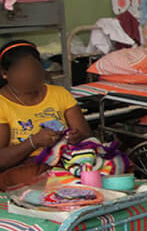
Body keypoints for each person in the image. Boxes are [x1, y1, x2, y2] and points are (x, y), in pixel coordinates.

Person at [0, 40, 92, 184]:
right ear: (5, 74)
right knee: (41, 179)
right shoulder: (2, 104)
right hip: (23, 167)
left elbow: (85, 132)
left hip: (66, 158)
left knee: (103, 165)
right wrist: (34, 142)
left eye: (34, 68)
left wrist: (75, 136)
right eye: (23, 70)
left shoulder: (59, 94)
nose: (31, 75)